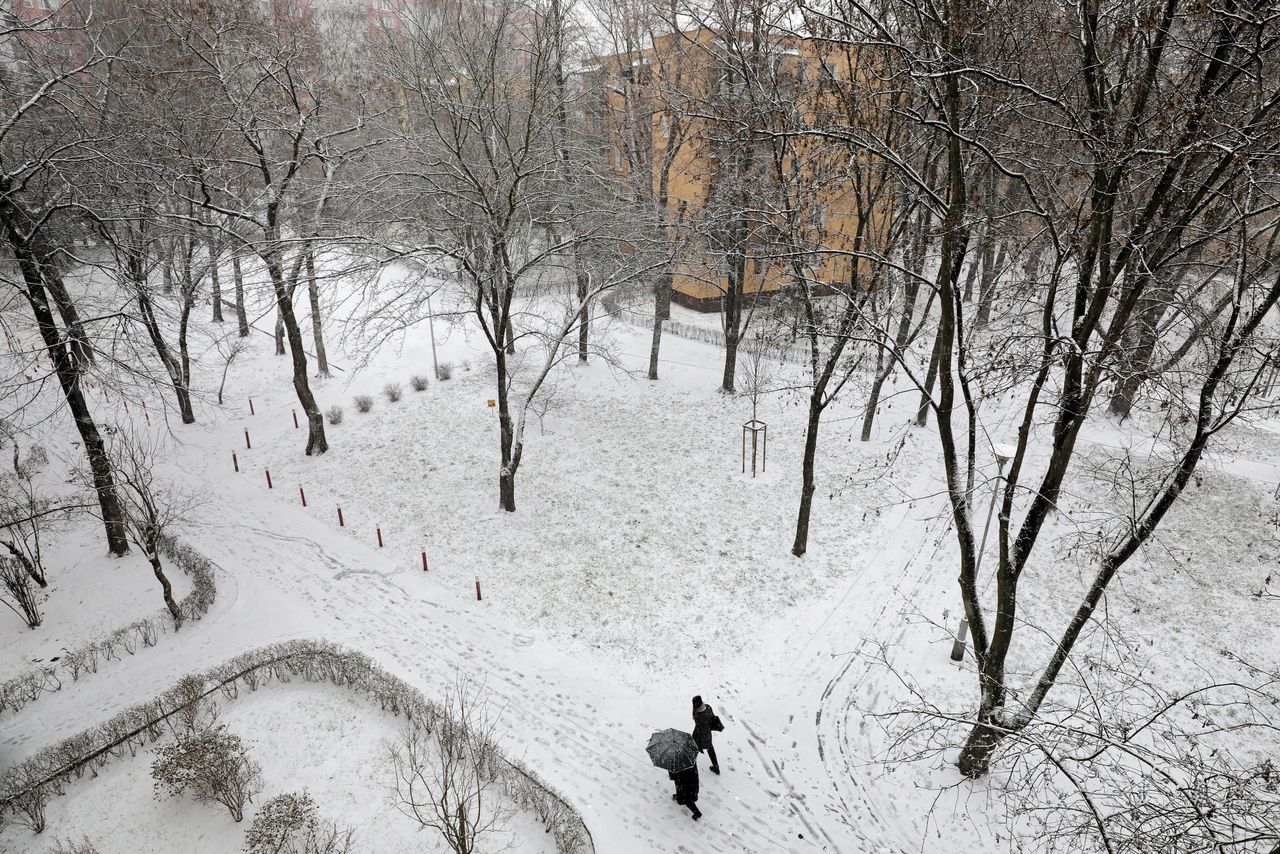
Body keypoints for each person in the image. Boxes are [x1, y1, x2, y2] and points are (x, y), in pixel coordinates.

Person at [692, 695, 722, 774]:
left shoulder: (698, 715)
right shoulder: (708, 707)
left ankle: (690, 766)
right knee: (710, 748)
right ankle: (716, 767)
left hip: (699, 735)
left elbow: (694, 718)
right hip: (708, 734)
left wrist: (694, 710)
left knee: (692, 748)